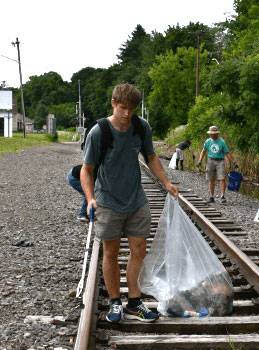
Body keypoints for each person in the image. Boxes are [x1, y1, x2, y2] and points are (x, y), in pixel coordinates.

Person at [81, 83, 178, 323]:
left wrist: (166, 182)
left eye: (131, 109)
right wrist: (90, 198)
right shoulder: (99, 132)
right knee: (111, 253)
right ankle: (115, 302)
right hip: (107, 202)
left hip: (136, 200)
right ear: (114, 103)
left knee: (138, 251)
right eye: (123, 108)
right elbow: (87, 169)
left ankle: (134, 302)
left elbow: (151, 156)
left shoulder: (140, 127)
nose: (127, 113)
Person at [197, 125, 235, 203]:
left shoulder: (222, 142)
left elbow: (227, 152)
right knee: (211, 179)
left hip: (220, 161)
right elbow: (203, 151)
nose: (213, 135)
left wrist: (233, 162)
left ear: (217, 133)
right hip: (210, 160)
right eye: (211, 133)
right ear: (210, 134)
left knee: (222, 178)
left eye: (214, 133)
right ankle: (211, 196)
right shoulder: (208, 141)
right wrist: (200, 160)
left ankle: (222, 196)